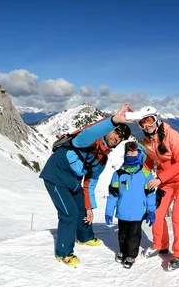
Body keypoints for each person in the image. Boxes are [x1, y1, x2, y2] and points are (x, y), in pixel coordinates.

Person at [40, 103, 133, 268]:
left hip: (72, 181)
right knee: (69, 213)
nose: (117, 138)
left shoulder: (101, 159)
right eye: (116, 132)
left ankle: (85, 237)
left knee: (82, 208)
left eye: (121, 138)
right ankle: (63, 252)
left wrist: (90, 207)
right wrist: (113, 120)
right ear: (108, 130)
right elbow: (91, 131)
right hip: (55, 175)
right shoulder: (86, 141)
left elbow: (89, 185)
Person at [134, 106, 179, 271]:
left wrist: (159, 178)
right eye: (142, 123)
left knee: (178, 215)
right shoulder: (146, 142)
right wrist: (139, 178)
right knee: (156, 212)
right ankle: (160, 245)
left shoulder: (173, 136)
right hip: (167, 181)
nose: (147, 126)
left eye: (149, 121)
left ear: (157, 119)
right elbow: (148, 162)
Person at [105, 141, 157, 269]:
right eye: (128, 152)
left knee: (133, 235)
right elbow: (113, 194)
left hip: (137, 212)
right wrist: (109, 211)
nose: (130, 154)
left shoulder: (145, 174)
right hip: (122, 212)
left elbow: (150, 194)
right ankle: (123, 251)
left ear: (140, 155)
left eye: (133, 152)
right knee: (122, 234)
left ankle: (131, 255)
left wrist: (151, 210)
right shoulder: (118, 174)